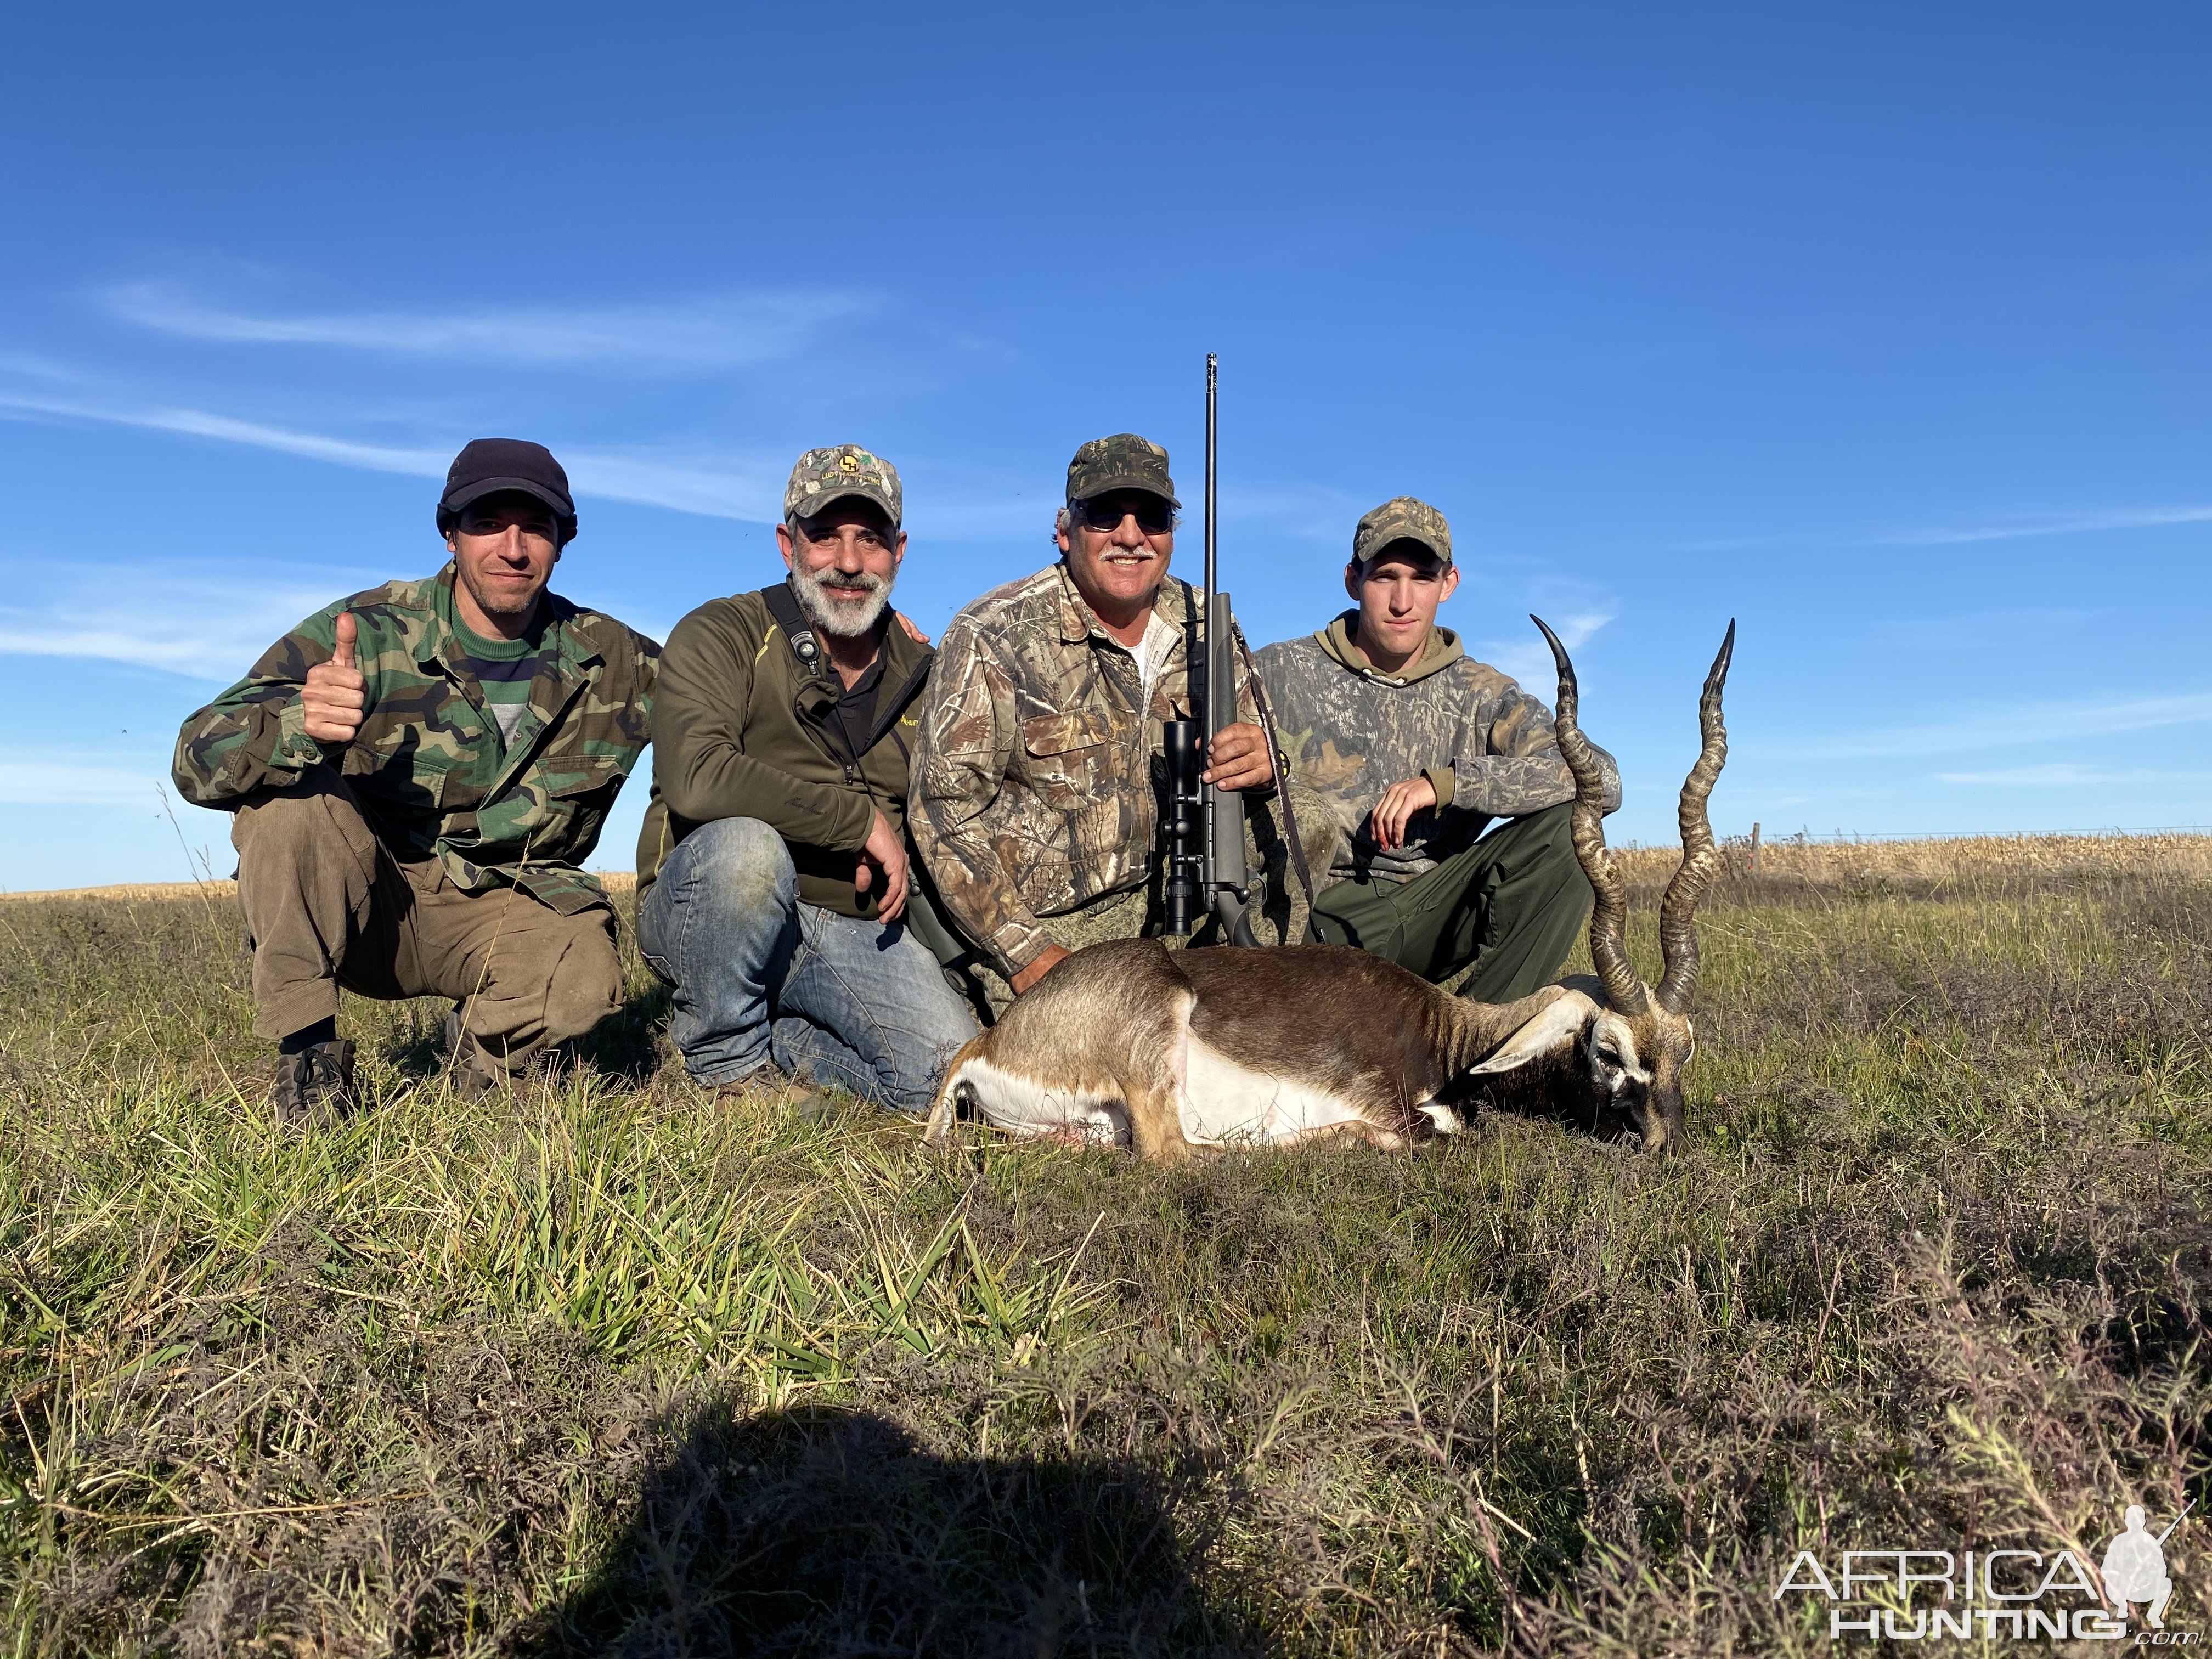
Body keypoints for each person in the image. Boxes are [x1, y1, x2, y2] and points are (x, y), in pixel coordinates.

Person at [173, 439, 659, 1119]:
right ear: (451, 534)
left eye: (536, 527)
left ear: (563, 541)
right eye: (488, 523)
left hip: (501, 906)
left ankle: (486, 1060)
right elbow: (193, 755)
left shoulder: (619, 659)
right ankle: (309, 1062)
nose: (513, 548)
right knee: (289, 811)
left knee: (586, 972)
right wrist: (296, 726)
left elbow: (730, 729)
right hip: (370, 907)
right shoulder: (368, 629)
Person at [633, 446, 977, 1108]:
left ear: (898, 551)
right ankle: (724, 1069)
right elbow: (698, 778)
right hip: (712, 906)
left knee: (944, 1087)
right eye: (825, 536)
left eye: (871, 540)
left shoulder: (927, 671)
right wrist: (856, 821)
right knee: (747, 853)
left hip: (849, 924)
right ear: (787, 542)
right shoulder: (721, 632)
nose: (849, 563)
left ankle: (784, 1044)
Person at [910, 432, 1300, 1013]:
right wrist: (1029, 957)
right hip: (1055, 929)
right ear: (1065, 530)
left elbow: (1264, 748)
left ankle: (1266, 1000)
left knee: (1305, 818)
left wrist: (1267, 762)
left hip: (1176, 901)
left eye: (1153, 516)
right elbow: (942, 808)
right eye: (1104, 515)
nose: (1131, 535)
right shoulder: (992, 632)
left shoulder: (1207, 623)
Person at [1251, 496, 1618, 1002]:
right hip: (1314, 918)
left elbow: (1601, 778)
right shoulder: (1275, 672)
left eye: (1422, 578)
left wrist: (1447, 785)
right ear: (1353, 581)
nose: (1403, 601)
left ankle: (1483, 1048)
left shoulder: (1484, 693)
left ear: (1449, 583)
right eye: (1384, 577)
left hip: (1428, 910)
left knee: (1572, 832)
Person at [2101, 1505, 2176, 1629]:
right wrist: (2123, 1575)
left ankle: (2154, 1615)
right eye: (2132, 1520)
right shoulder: (2119, 1541)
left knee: (2166, 1583)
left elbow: (2162, 1570)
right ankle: (2122, 1609)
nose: (2135, 1523)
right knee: (2111, 1584)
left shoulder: (2151, 1542)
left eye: (2138, 1520)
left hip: (2144, 1589)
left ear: (2143, 1521)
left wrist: (2148, 1572)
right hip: (2122, 1590)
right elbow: (2106, 1570)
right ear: (2126, 1522)